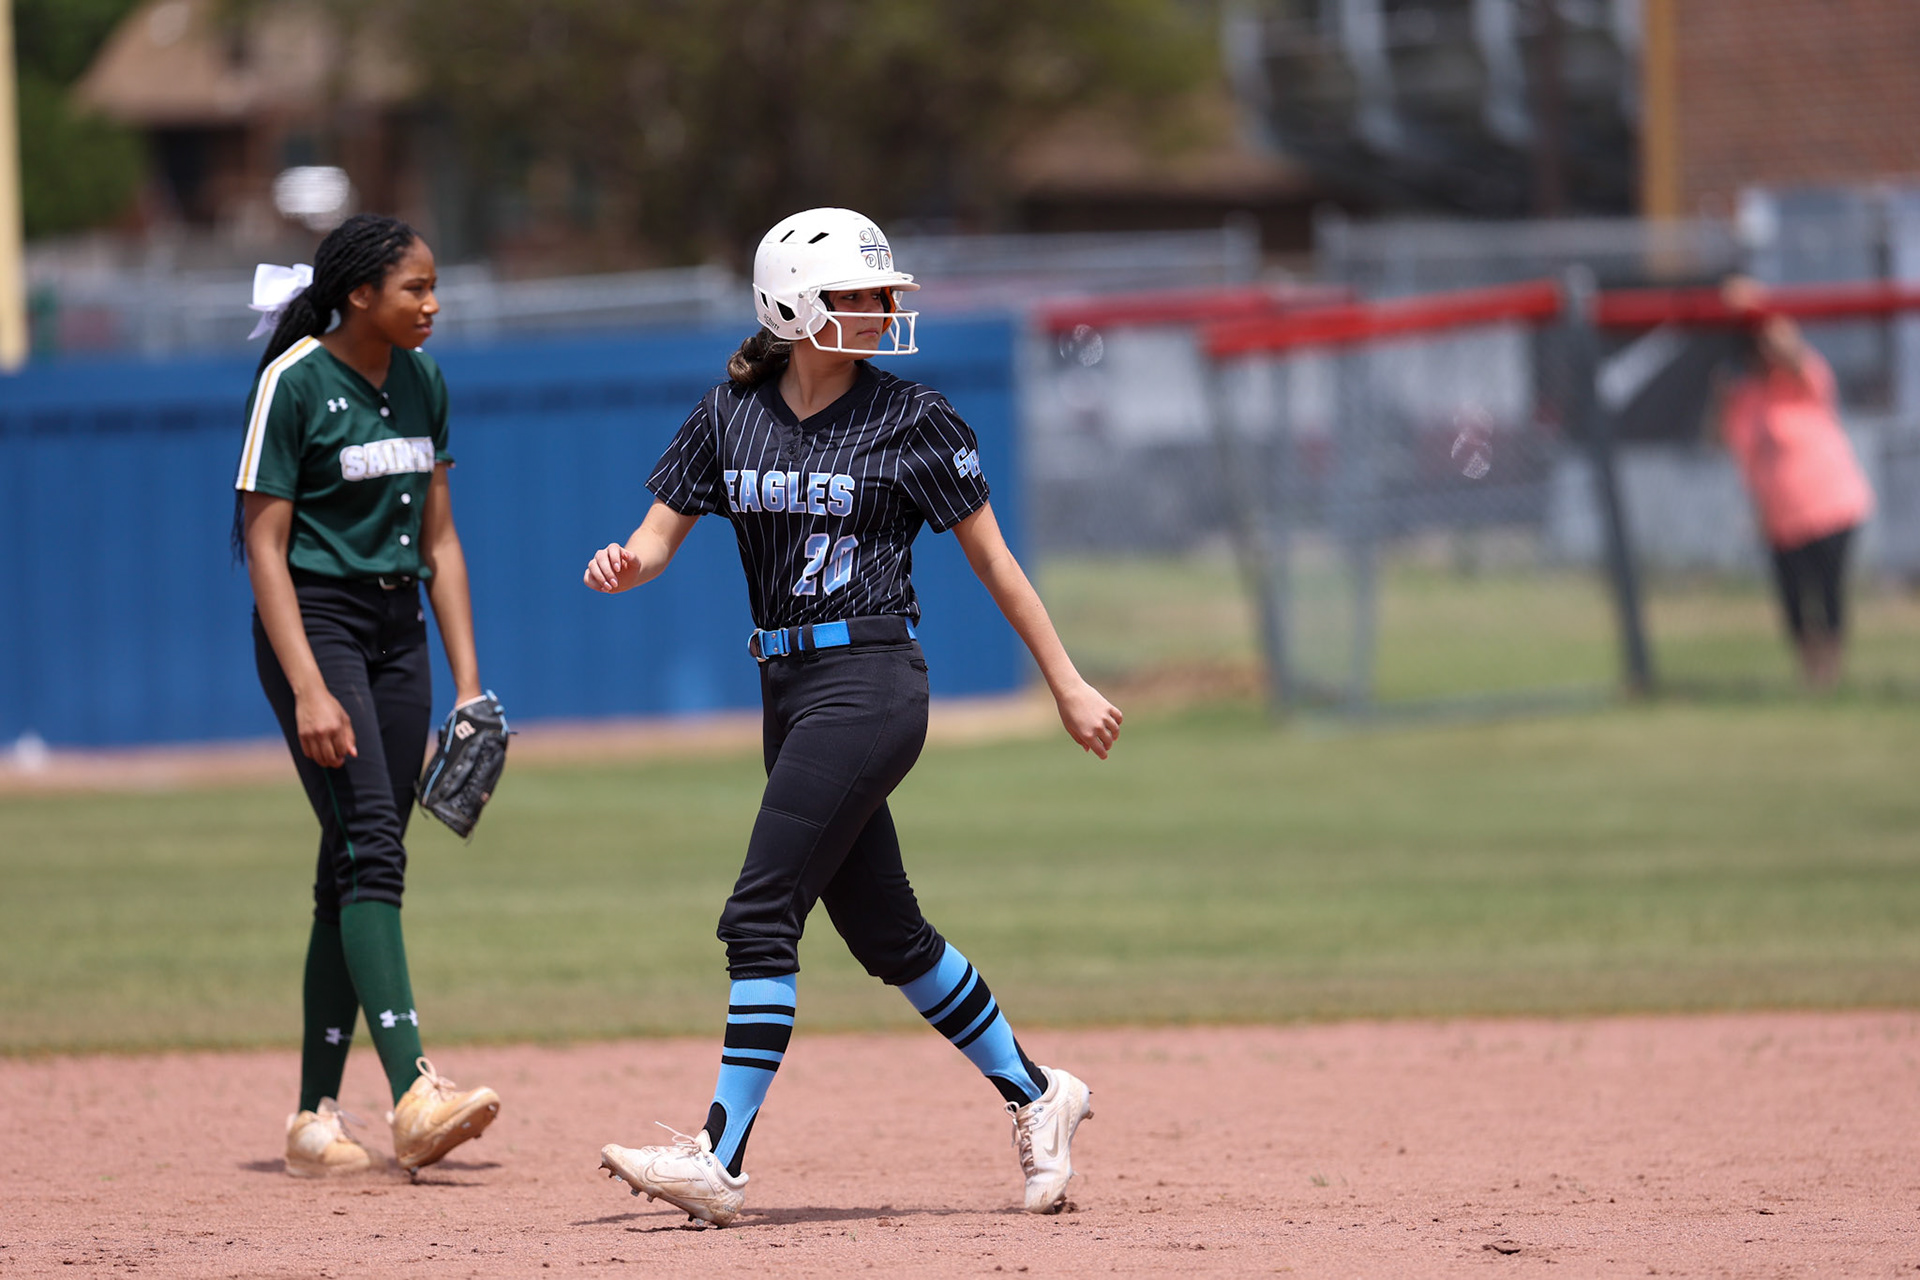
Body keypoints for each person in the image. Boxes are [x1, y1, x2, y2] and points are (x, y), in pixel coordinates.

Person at [584, 208, 1123, 1226]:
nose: (883, 308)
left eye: (886, 293)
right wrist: (627, 562)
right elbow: (657, 536)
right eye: (860, 294)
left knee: (759, 912)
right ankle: (1037, 1092)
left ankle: (720, 1157)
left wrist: (1066, 682)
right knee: (888, 935)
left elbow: (996, 563)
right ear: (794, 306)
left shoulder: (915, 417)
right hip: (787, 691)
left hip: (871, 680)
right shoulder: (728, 413)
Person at [236, 214, 501, 1177]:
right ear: (359, 294)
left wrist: (469, 687)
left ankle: (313, 1118)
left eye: (434, 287)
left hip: (400, 631)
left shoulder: (424, 381)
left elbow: (441, 541)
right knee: (374, 851)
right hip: (319, 625)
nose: (432, 304)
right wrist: (309, 687)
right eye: (414, 289)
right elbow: (263, 544)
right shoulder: (295, 381)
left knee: (349, 865)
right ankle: (413, 1093)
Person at [1717, 276, 1875, 689]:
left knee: (1828, 590)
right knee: (1792, 600)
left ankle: (1831, 674)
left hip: (1830, 504)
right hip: (1780, 516)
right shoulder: (1743, 396)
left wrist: (1758, 307)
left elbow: (1788, 346)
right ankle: (1810, 675)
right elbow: (1730, 446)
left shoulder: (1801, 379)